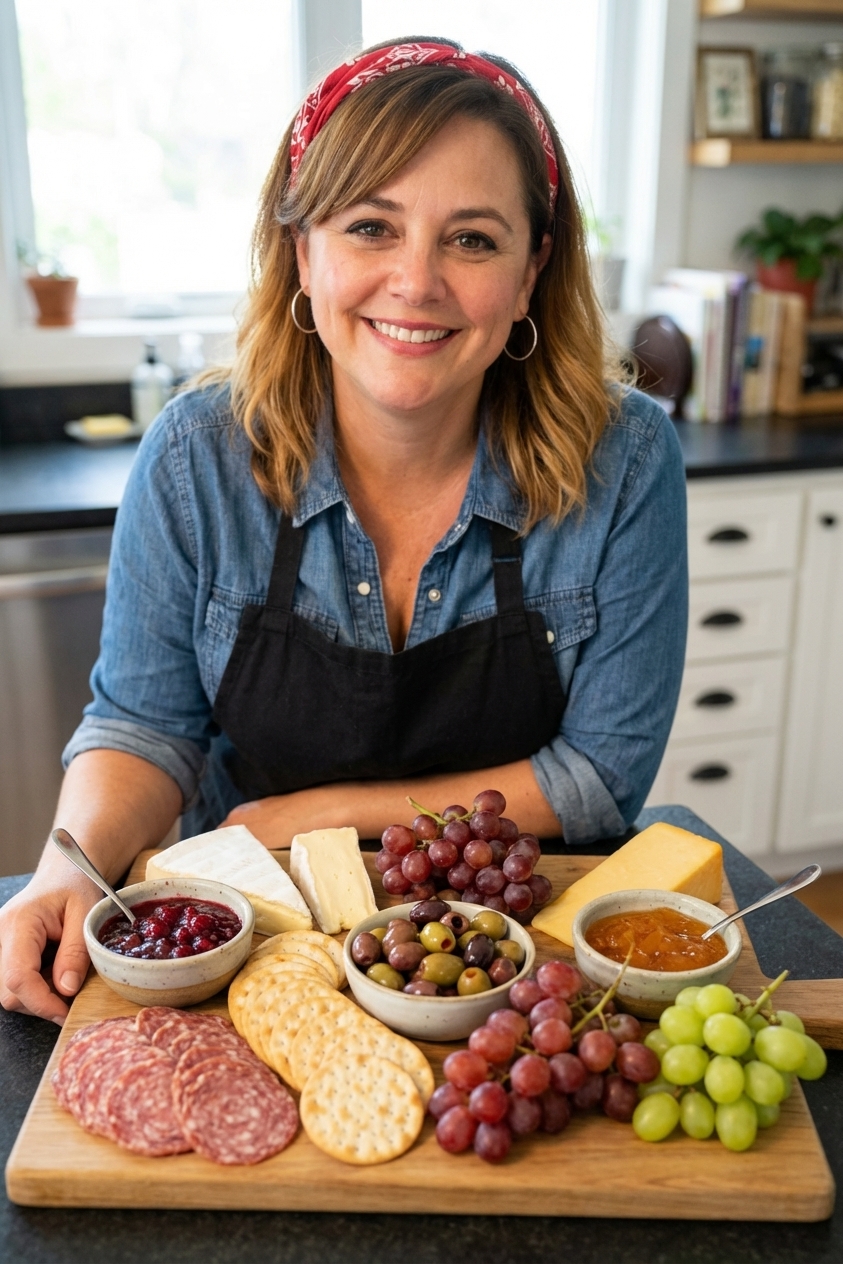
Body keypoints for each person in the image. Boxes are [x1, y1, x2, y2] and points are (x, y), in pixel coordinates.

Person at [0, 39, 688, 1024]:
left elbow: (596, 777)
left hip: (508, 967)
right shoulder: (197, 458)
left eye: (473, 239)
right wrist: (65, 867)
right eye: (372, 226)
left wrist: (318, 816)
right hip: (241, 952)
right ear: (301, 250)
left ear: (532, 272)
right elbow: (144, 727)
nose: (416, 282)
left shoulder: (626, 462)